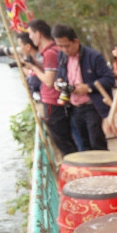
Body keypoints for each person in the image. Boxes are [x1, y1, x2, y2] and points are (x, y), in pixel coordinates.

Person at [52, 24, 114, 151]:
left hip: (92, 105)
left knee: (97, 142)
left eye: (67, 45)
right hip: (74, 107)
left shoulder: (94, 56)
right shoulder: (62, 56)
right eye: (60, 46)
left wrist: (89, 87)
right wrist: (58, 83)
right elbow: (60, 75)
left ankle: (104, 170)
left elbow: (109, 79)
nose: (64, 49)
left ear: (75, 41)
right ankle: (89, 171)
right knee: (83, 144)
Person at [25, 18, 75, 155]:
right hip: (59, 100)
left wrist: (34, 68)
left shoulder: (50, 53)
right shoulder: (55, 50)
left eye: (31, 33)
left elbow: (48, 81)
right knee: (67, 140)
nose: (30, 37)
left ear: (38, 34)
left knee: (63, 142)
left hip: (53, 102)